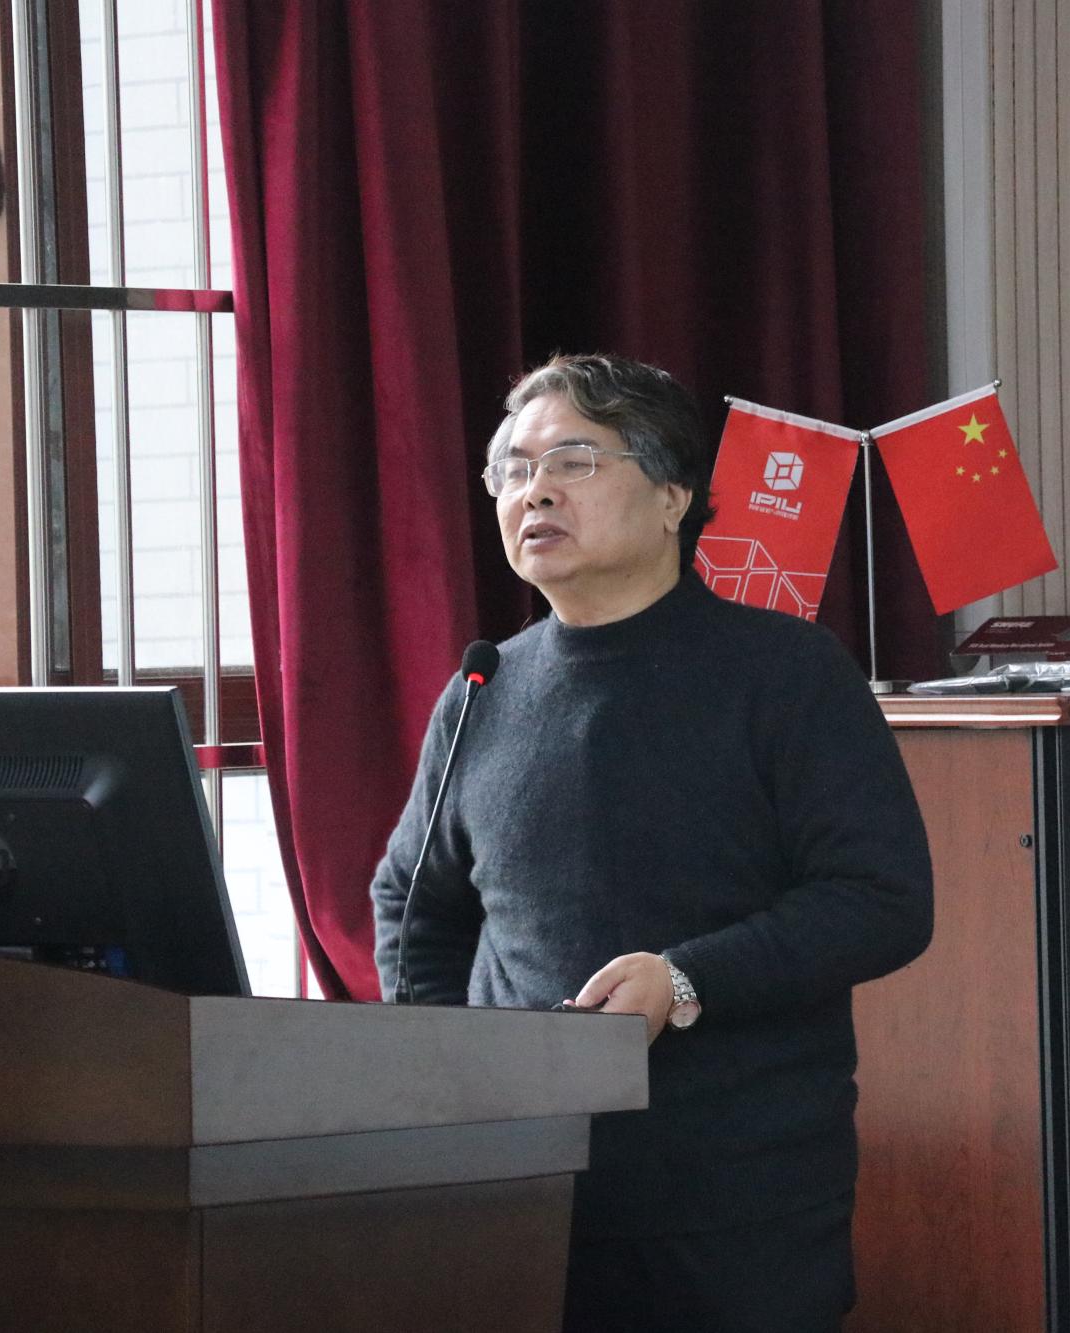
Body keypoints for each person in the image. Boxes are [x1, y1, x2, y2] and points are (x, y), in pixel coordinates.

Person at [369, 353, 934, 1332]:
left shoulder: (785, 673)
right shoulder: (482, 688)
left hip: (733, 1201)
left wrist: (682, 980)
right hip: (523, 1191)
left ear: (673, 494)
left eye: (573, 461)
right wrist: (460, 1078)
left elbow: (880, 898)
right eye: (513, 468)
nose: (534, 490)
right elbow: (413, 905)